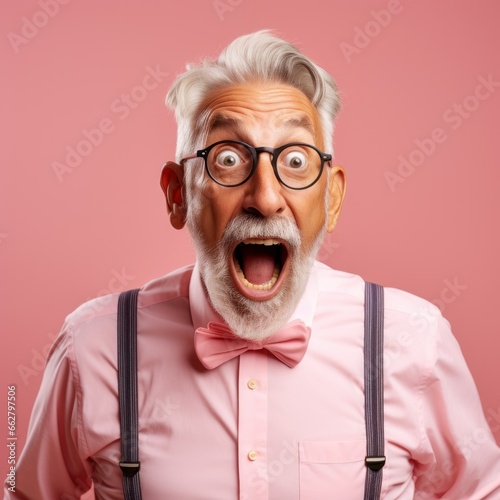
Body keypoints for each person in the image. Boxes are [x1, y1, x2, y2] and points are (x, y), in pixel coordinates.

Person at [5, 31, 500, 500]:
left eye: (296, 161)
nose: (265, 198)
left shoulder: (412, 340)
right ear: (177, 195)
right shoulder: (94, 350)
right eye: (227, 158)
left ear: (331, 198)